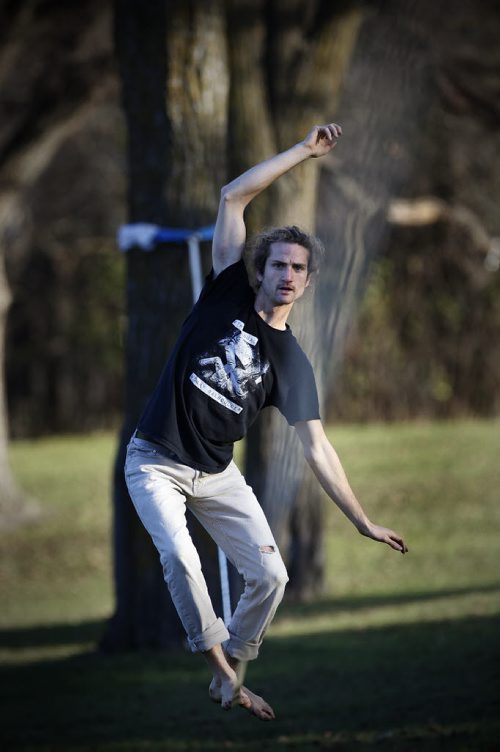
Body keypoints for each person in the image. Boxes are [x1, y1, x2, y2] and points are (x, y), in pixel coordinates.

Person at [124, 123, 408, 722]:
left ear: (305, 283)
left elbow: (317, 448)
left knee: (272, 577)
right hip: (154, 461)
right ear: (263, 267)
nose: (285, 274)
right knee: (180, 558)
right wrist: (305, 152)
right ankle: (225, 679)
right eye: (278, 263)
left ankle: (234, 653)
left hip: (215, 475)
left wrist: (362, 520)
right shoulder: (227, 286)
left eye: (297, 269)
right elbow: (233, 196)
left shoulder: (293, 364)